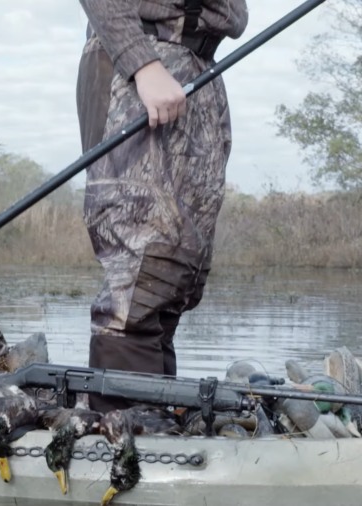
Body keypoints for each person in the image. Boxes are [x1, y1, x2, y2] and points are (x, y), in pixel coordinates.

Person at [76, 0, 249, 412]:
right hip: (145, 63)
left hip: (200, 68)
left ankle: (153, 423)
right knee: (138, 272)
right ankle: (120, 435)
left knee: (177, 271)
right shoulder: (143, 63)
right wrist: (142, 63)